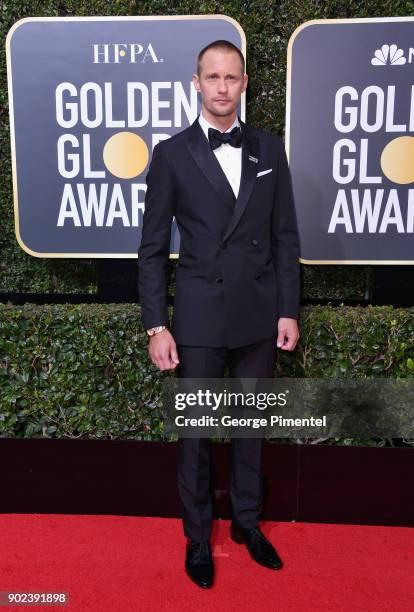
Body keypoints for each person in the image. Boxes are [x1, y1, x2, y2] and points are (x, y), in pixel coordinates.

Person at [138, 39, 300, 589]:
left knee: (251, 431)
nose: (223, 87)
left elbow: (284, 238)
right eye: (213, 77)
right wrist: (157, 325)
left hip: (258, 316)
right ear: (197, 83)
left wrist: (288, 310)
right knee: (197, 436)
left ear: (245, 83)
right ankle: (196, 537)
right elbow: (152, 248)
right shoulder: (172, 154)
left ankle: (248, 526)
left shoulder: (269, 150)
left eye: (232, 77)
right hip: (200, 320)